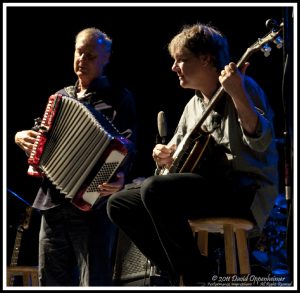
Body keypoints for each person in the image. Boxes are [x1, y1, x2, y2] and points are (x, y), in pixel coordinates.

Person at [107, 23, 279, 286]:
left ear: (206, 59)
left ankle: (192, 274)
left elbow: (260, 142)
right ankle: (188, 268)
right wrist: (163, 156)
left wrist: (238, 94)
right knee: (119, 203)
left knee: (153, 189)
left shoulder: (245, 87)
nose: (174, 68)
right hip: (208, 191)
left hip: (244, 193)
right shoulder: (193, 106)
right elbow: (173, 161)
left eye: (181, 60)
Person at [14, 27, 137, 286]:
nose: (82, 59)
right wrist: (21, 137)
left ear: (106, 58)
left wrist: (121, 176)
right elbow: (40, 142)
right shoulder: (60, 98)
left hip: (93, 204)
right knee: (50, 278)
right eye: (79, 53)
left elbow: (127, 147)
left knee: (93, 279)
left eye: (91, 56)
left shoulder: (119, 98)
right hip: (52, 203)